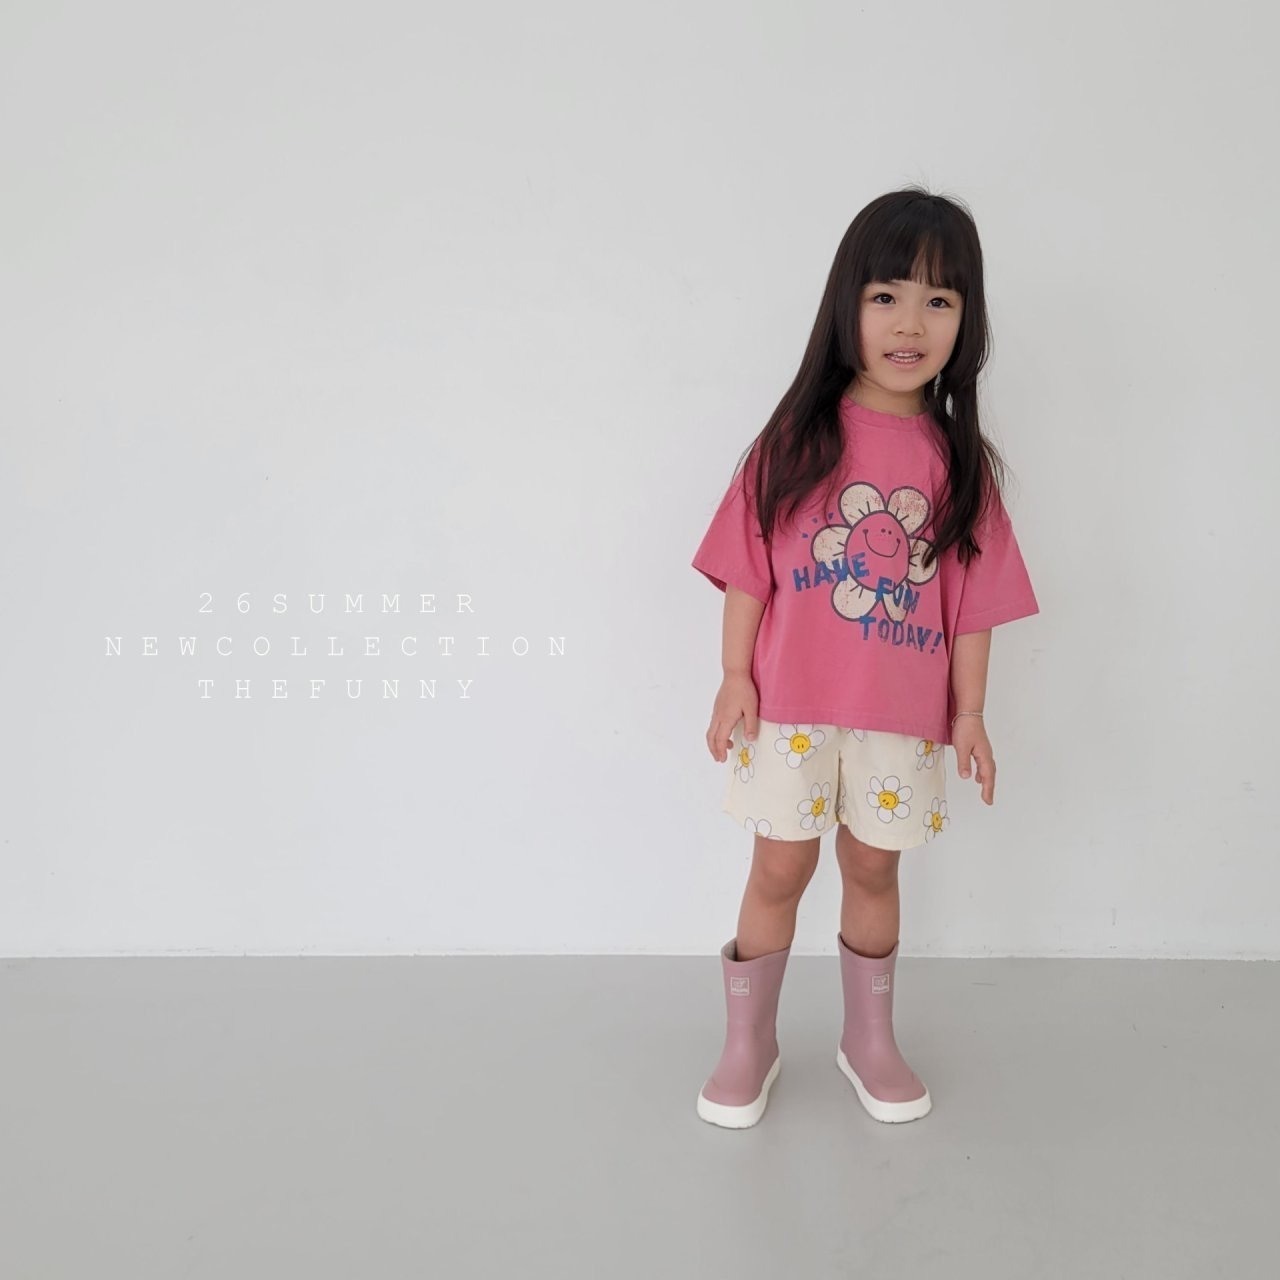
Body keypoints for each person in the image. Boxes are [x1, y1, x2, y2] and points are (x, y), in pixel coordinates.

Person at [689, 187, 1041, 1130]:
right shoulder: (794, 441)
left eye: (939, 300)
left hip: (900, 719)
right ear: (847, 303)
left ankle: (869, 1039)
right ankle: (747, 1042)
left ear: (966, 321)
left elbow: (974, 608)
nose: (910, 323)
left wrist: (970, 713)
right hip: (789, 711)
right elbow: (747, 572)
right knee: (778, 870)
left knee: (876, 872)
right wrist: (734, 675)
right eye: (887, 295)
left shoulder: (960, 464)